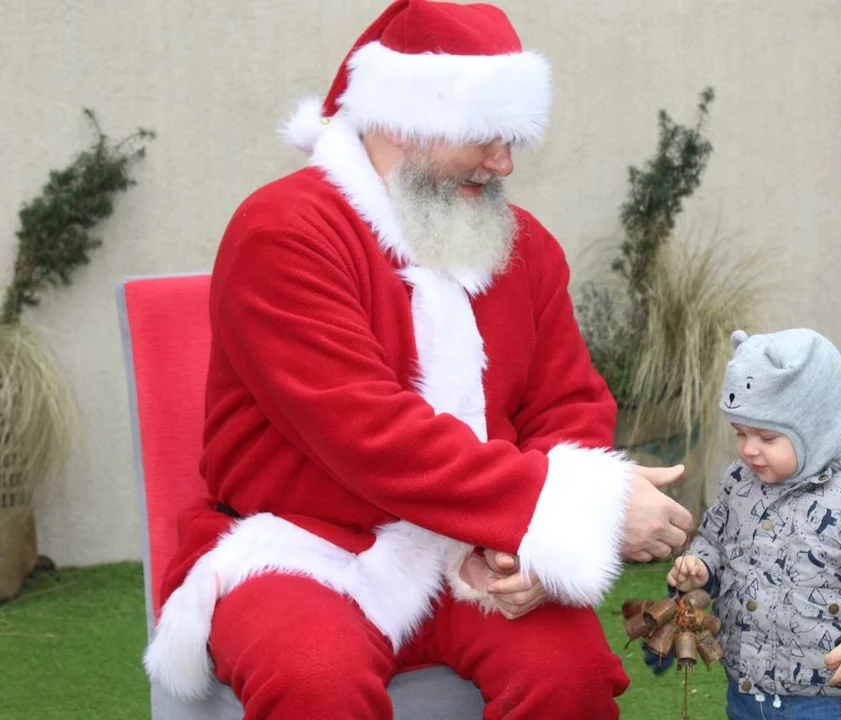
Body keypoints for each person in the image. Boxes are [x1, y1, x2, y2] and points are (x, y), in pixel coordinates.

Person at [141, 1, 695, 718]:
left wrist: (524, 551)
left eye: (511, 137)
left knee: (571, 672)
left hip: (472, 543)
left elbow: (567, 406)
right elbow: (368, 435)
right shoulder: (282, 232)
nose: (504, 162)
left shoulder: (525, 246)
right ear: (403, 118)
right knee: (314, 680)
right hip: (303, 546)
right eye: (484, 136)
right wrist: (560, 506)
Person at [644, 328, 841, 719]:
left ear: (817, 427)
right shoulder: (741, 481)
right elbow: (716, 542)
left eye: (768, 436)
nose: (749, 449)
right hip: (746, 686)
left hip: (826, 696)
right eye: (741, 432)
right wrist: (700, 568)